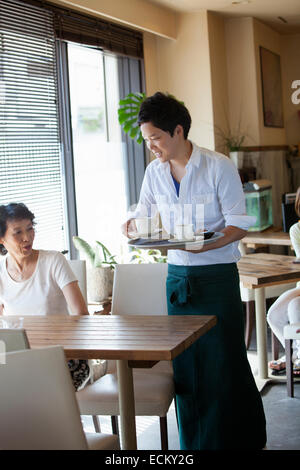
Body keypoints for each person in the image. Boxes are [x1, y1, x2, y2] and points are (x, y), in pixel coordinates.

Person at [121, 92, 266, 450]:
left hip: (217, 278)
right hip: (177, 280)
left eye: (156, 138)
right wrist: (132, 227)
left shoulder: (218, 167)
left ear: (178, 131)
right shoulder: (154, 172)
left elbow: (239, 224)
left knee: (223, 364)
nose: (151, 146)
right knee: (187, 368)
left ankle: (238, 440)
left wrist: (202, 245)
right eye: (147, 140)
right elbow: (143, 214)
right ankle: (194, 446)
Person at [0, 202, 102, 391]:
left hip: (64, 359)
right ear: (2, 239)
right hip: (19, 360)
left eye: (30, 229)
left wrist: (66, 351)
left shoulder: (54, 261)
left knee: (28, 390)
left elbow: (81, 314)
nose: (27, 237)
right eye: (17, 232)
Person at [267, 187, 300, 375]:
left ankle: (298, 359)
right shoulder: (297, 229)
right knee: (274, 314)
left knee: (295, 307)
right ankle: (294, 356)